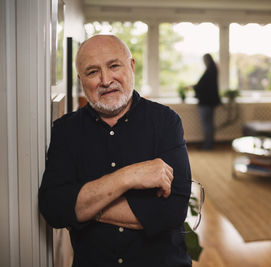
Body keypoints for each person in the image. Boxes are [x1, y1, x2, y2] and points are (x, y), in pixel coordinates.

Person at [39, 35, 192, 266]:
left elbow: (173, 211)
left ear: (131, 66)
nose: (105, 79)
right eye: (92, 72)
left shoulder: (166, 122)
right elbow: (54, 208)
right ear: (81, 80)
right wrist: (129, 176)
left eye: (113, 66)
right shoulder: (65, 130)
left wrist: (85, 207)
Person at [192, 53, 221, 150]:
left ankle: (208, 145)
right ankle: (209, 144)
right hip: (211, 103)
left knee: (207, 125)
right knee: (209, 124)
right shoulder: (214, 70)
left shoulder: (209, 72)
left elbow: (201, 86)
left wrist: (193, 87)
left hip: (206, 103)